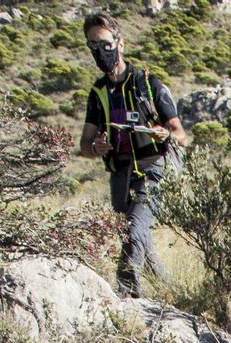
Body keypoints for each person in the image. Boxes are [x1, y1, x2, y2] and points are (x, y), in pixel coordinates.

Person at [78, 12, 187, 298]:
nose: (99, 52)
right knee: (138, 238)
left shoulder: (148, 84)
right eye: (92, 45)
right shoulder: (98, 93)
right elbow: (85, 145)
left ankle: (126, 298)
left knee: (134, 229)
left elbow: (181, 135)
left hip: (155, 169)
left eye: (104, 43)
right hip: (120, 174)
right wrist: (96, 148)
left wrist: (164, 134)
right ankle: (174, 293)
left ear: (120, 43)